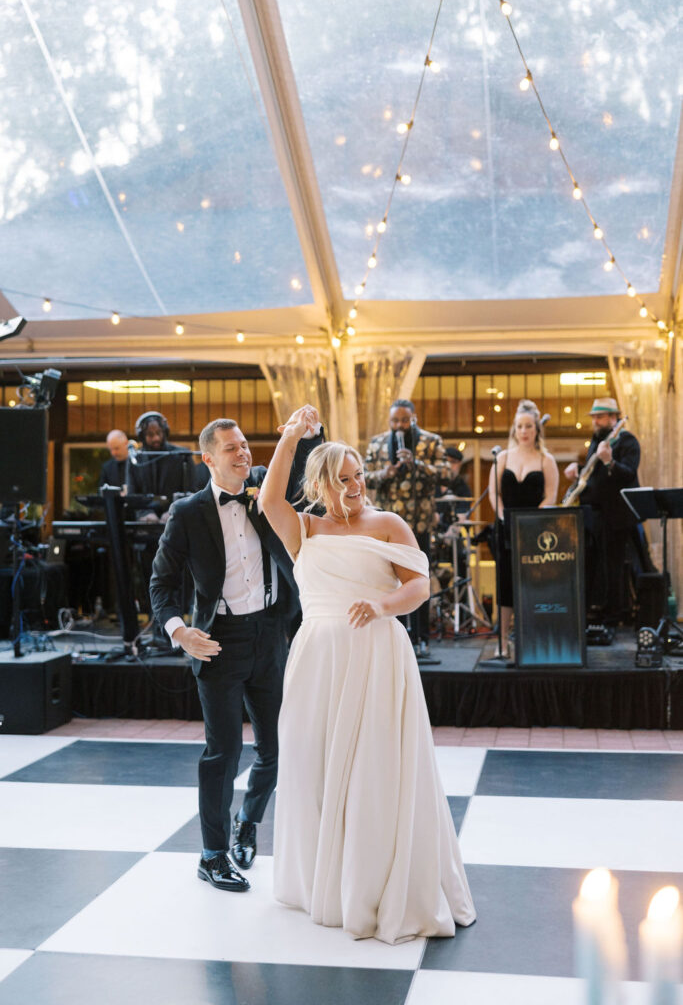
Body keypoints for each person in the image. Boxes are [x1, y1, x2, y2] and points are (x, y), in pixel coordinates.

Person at [260, 408, 476, 944]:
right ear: (320, 485)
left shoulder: (388, 524)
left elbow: (419, 586)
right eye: (344, 478)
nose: (356, 486)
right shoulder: (303, 528)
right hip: (316, 658)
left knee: (374, 768)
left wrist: (382, 606)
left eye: (359, 476)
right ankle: (320, 883)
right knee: (312, 760)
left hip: (378, 653)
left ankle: (372, 882)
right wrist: (290, 436)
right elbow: (267, 501)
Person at [149, 411, 322, 894]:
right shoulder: (187, 513)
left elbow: (306, 465)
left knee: (275, 747)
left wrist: (307, 430)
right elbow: (161, 582)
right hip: (217, 641)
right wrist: (180, 630)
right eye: (232, 448)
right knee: (222, 753)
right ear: (208, 458)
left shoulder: (264, 486)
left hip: (271, 634)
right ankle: (212, 854)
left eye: (245, 445)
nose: (244, 453)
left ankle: (250, 822)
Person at [364, 399, 447, 656]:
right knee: (388, 580)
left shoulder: (431, 441)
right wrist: (384, 474)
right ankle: (395, 637)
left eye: (404, 420)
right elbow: (364, 477)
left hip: (419, 523)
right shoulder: (377, 443)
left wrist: (417, 464)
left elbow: (446, 474)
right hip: (386, 524)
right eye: (395, 421)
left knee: (418, 579)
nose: (399, 426)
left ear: (414, 418)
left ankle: (422, 637)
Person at [488, 399, 559, 657]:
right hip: (506, 528)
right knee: (505, 585)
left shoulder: (546, 459)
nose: (524, 431)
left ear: (537, 429)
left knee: (532, 585)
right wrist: (503, 517)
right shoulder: (502, 458)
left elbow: (551, 495)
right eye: (520, 426)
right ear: (514, 430)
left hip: (535, 532)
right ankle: (503, 642)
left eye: (529, 426)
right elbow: (494, 494)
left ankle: (531, 639)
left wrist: (534, 523)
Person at [564, 397, 640, 630]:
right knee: (595, 566)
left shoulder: (627, 441)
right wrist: (578, 472)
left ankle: (614, 614)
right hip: (593, 514)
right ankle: (595, 610)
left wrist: (610, 462)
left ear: (613, 418)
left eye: (600, 416)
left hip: (616, 515)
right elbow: (593, 475)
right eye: (594, 417)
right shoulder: (597, 440)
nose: (595, 421)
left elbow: (628, 474)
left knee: (613, 566)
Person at [127, 411, 209, 523]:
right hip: (146, 521)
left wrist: (173, 511)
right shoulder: (136, 459)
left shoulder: (182, 455)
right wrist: (145, 513)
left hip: (176, 519)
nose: (156, 438)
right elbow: (132, 495)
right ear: (142, 436)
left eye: (158, 433)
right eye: (150, 435)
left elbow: (192, 490)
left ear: (164, 432)